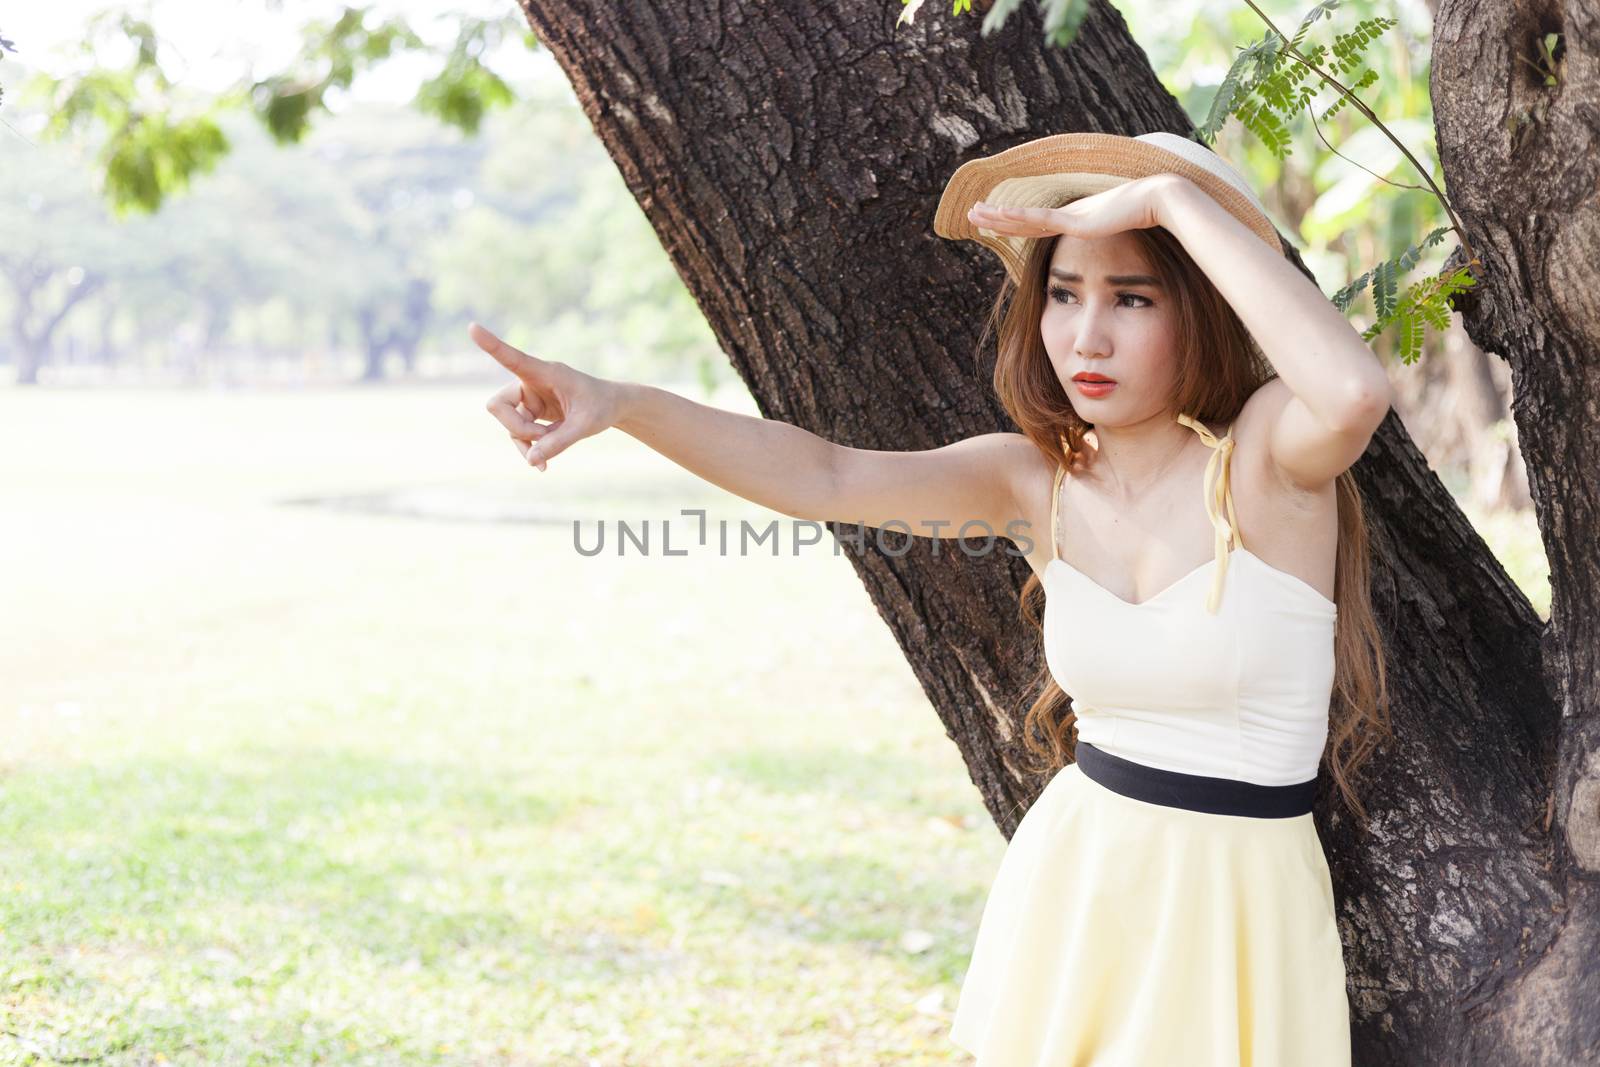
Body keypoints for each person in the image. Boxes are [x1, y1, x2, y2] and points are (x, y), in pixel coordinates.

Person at [473, 129, 1394, 1066]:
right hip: (1083, 886)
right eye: (1065, 294)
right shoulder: (1035, 479)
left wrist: (1168, 202)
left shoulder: (1270, 461)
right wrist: (624, 404)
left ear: (1196, 309)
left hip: (1234, 909)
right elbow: (827, 477)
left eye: (1133, 298)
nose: (1087, 335)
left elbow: (1356, 390)